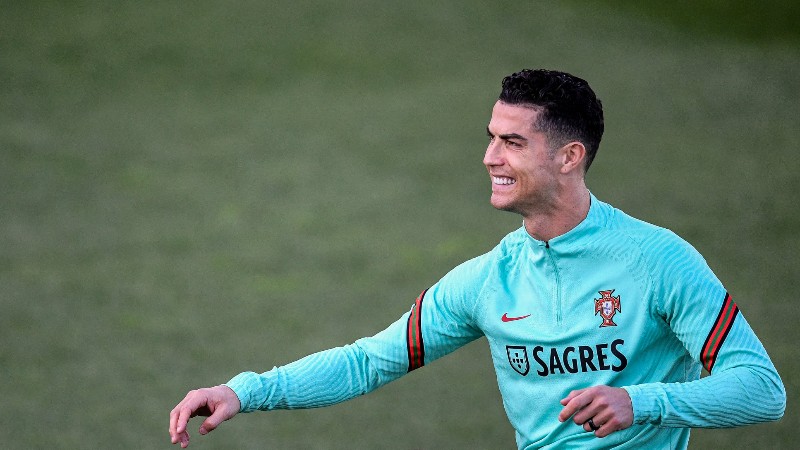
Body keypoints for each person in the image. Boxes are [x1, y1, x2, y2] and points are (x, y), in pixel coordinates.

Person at [168, 69, 785, 449]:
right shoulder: (487, 281)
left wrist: (643, 402)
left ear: (569, 157)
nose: (490, 157)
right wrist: (243, 391)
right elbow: (368, 361)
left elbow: (762, 389)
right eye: (491, 137)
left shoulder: (658, 260)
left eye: (512, 142)